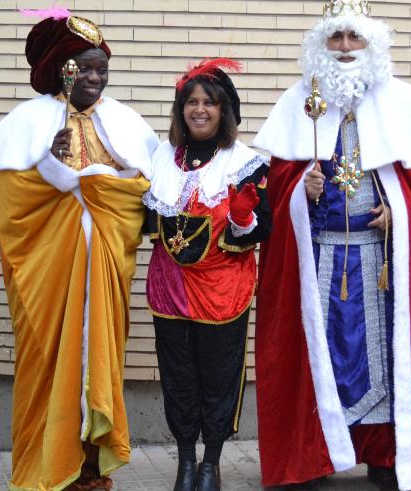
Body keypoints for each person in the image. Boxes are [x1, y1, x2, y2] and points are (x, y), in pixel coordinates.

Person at [252, 1, 411, 489]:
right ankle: (311, 456)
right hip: (318, 254)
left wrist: (396, 213)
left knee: (382, 355)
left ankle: (384, 454)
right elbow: (278, 185)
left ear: (371, 44)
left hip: (379, 260)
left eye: (353, 38)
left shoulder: (403, 102)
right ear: (321, 44)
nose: (344, 48)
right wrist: (303, 190)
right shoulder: (300, 101)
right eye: (335, 38)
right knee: (315, 353)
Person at [0, 8, 157, 491]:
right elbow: (13, 206)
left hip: (105, 271)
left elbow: (141, 193)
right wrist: (48, 170)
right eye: (85, 66)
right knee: (45, 360)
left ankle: (91, 469)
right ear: (62, 68)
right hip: (47, 277)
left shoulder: (124, 121)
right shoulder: (28, 122)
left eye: (102, 68)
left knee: (101, 360)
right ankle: (44, 468)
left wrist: (94, 184)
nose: (96, 77)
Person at [142, 58, 270, 491]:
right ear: (181, 110)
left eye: (209, 103)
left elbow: (262, 229)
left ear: (224, 111)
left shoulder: (246, 164)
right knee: (178, 379)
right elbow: (144, 222)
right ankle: (184, 461)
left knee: (218, 379)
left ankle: (211, 464)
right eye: (191, 102)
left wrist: (242, 218)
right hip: (170, 290)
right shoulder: (161, 158)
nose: (199, 110)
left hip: (222, 293)